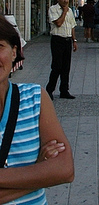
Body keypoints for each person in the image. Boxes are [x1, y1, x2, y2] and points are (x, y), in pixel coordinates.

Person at [0, 15, 74, 203]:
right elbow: (55, 172)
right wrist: (40, 170)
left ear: (14, 52)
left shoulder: (34, 99)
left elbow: (65, 169)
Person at [46, 0, 77, 100]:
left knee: (66, 67)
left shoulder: (70, 11)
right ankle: (49, 90)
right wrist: (64, 12)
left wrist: (74, 40)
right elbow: (58, 23)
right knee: (56, 67)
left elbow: (72, 26)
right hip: (57, 40)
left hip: (67, 40)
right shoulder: (53, 9)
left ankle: (64, 90)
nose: (65, 1)